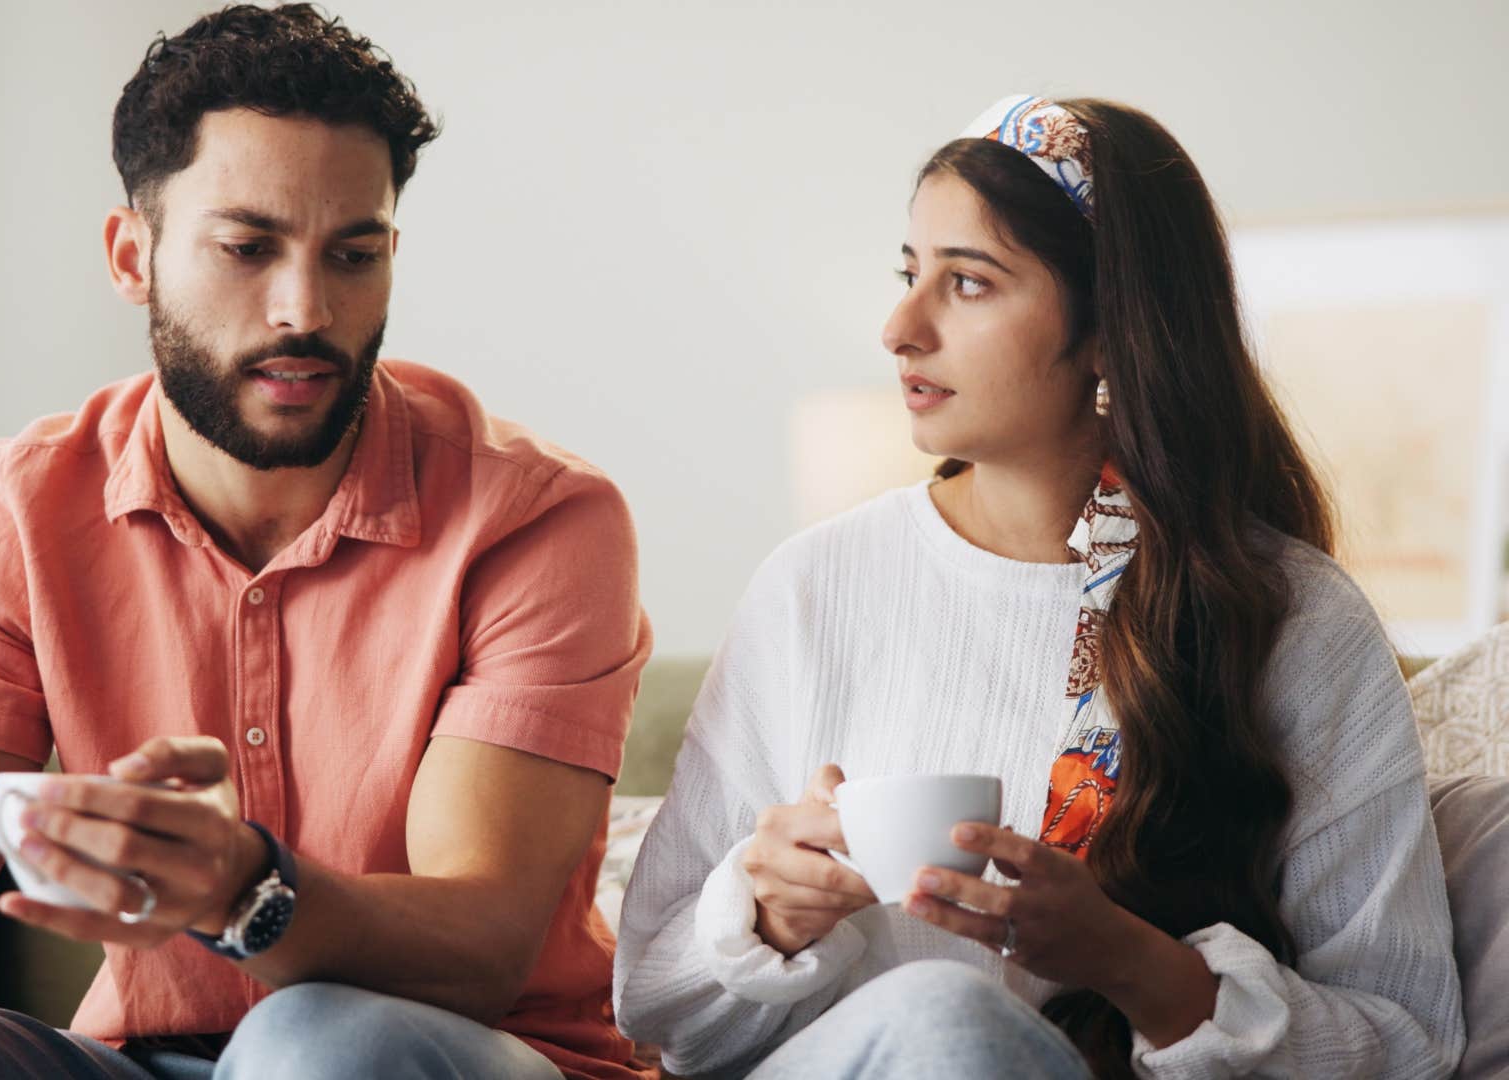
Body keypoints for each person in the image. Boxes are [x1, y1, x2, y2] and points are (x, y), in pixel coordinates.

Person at [0, 6, 652, 1078]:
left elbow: (479, 950)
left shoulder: (537, 518)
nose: (306, 307)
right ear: (131, 254)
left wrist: (242, 885)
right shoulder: (18, 506)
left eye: (354, 253)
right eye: (248, 247)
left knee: (324, 1044)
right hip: (137, 1061)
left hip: (450, 1054)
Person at [613, 95, 1465, 1079]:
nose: (900, 327)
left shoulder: (1296, 621)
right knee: (938, 1015)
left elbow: (1410, 1044)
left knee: (951, 1019)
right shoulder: (816, 586)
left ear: (1112, 333)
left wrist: (1132, 965)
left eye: (969, 283)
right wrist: (763, 916)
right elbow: (655, 1011)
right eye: (909, 272)